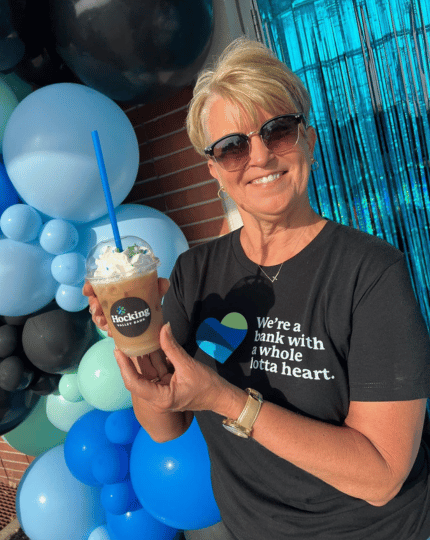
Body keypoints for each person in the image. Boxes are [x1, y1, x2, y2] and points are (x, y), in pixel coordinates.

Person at [83, 37, 430, 540]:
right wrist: (135, 337)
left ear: (307, 139)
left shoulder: (371, 272)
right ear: (215, 172)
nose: (260, 156)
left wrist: (228, 401)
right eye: (232, 146)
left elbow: (380, 476)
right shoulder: (194, 273)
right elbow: (166, 425)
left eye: (278, 131)